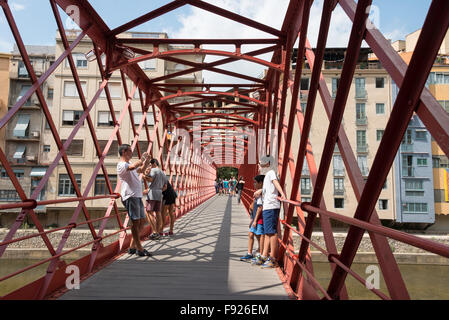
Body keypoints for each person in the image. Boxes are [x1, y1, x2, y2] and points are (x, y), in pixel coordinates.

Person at [117, 144, 152, 257]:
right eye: (130, 151)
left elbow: (140, 170)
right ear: (124, 152)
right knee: (136, 222)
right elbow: (133, 167)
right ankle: (139, 249)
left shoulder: (129, 164)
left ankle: (132, 246)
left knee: (141, 221)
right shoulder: (122, 165)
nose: (132, 153)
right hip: (130, 196)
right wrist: (142, 158)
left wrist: (147, 161)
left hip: (136, 196)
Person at [253, 155, 287, 268]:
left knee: (271, 233)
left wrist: (282, 193)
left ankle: (272, 259)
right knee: (268, 232)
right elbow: (269, 188)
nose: (259, 165)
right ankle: (264, 256)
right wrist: (260, 190)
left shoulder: (271, 172)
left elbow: (275, 182)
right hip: (268, 206)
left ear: (267, 163)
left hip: (271, 206)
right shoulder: (268, 174)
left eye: (261, 163)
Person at [240, 175, 265, 263]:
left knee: (259, 235)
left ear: (261, 183)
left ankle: (261, 254)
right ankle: (250, 253)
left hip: (259, 219)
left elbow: (259, 208)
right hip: (255, 218)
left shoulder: (260, 194)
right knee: (252, 234)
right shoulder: (258, 192)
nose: (253, 184)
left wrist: (254, 220)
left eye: (255, 182)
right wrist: (252, 220)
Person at [143, 158, 167, 240]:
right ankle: (159, 231)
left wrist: (144, 176)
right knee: (158, 212)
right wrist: (159, 190)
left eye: (150, 165)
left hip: (152, 193)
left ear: (153, 164)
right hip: (159, 194)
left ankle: (154, 232)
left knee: (148, 212)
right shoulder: (163, 173)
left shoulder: (153, 170)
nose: (149, 167)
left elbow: (150, 179)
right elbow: (165, 187)